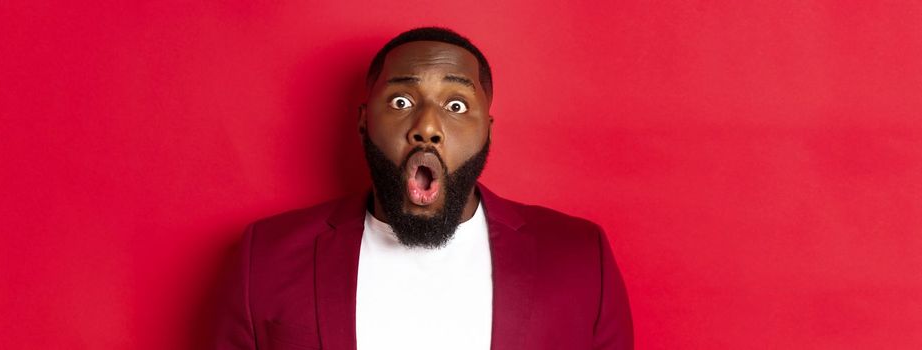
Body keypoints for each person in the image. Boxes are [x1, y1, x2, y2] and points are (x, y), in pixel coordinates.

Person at [209, 27, 633, 350]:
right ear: (363, 120)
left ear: (487, 130)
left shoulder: (581, 257)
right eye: (401, 102)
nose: (427, 128)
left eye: (456, 106)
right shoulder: (265, 257)